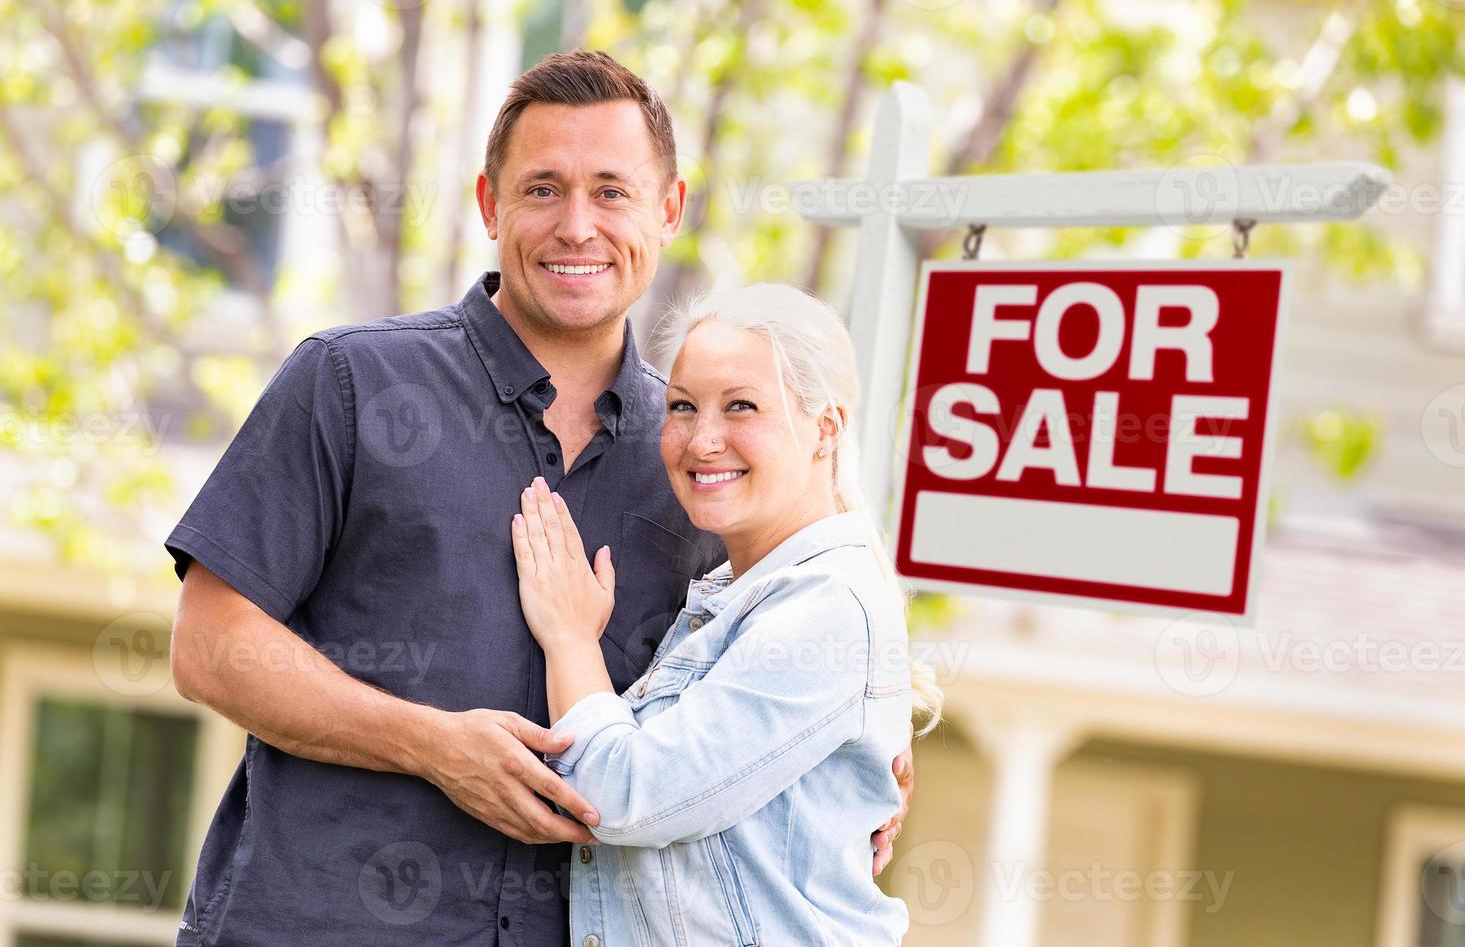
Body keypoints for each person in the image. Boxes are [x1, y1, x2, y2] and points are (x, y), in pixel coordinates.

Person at [165, 49, 913, 945]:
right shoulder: (353, 382)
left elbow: (765, 690)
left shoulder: (698, 464)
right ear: (490, 205)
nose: (577, 226)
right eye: (543, 189)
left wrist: (857, 769)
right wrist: (433, 747)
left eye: (612, 191)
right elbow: (212, 648)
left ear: (667, 210)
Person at [510, 282, 942, 945]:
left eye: (741, 407)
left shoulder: (829, 608)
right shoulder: (729, 596)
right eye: (682, 407)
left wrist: (570, 638)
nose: (702, 440)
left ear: (824, 428)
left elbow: (624, 796)